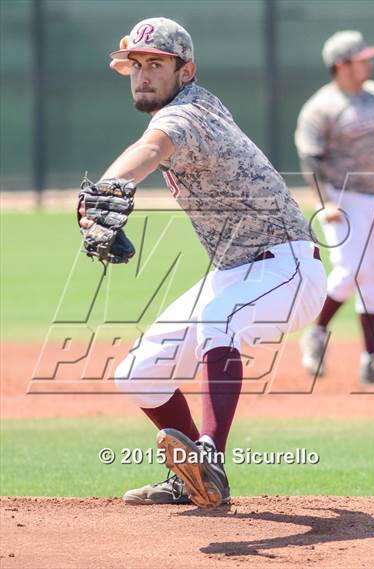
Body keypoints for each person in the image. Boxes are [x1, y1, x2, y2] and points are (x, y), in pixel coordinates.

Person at [80, 17, 327, 509]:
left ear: (186, 70)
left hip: (288, 268)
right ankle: (194, 479)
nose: (143, 74)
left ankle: (210, 453)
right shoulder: (191, 106)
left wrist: (108, 189)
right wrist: (98, 205)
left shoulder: (187, 116)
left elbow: (150, 149)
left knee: (221, 318)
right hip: (237, 271)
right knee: (139, 374)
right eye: (135, 65)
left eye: (157, 64)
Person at [295, 30, 374, 385]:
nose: (369, 64)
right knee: (349, 272)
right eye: (361, 59)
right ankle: (316, 334)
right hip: (343, 198)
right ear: (341, 65)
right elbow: (310, 159)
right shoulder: (321, 107)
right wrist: (324, 202)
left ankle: (372, 360)